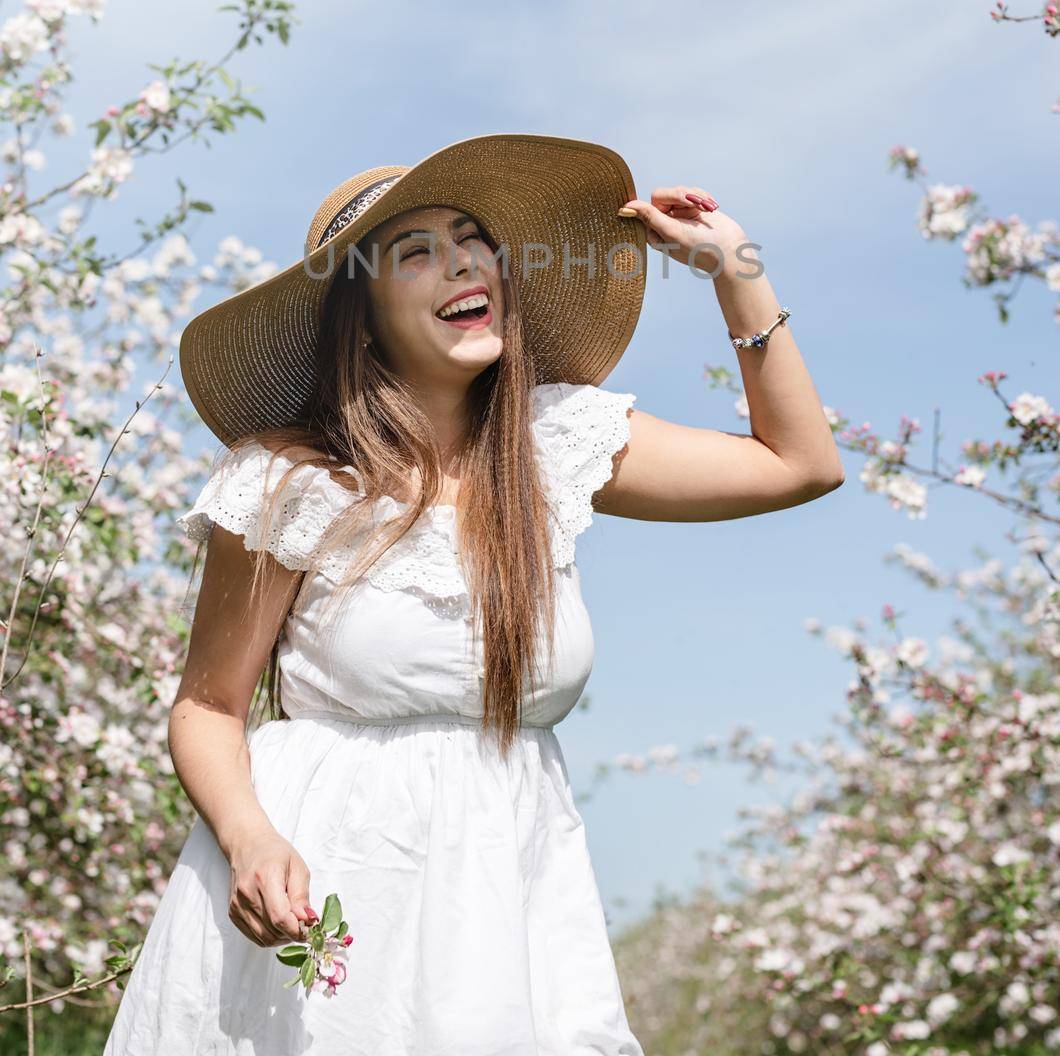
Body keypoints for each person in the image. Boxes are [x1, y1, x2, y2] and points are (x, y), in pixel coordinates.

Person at [102, 132, 845, 1056]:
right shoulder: (290, 483)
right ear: (363, 317)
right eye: (414, 253)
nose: (461, 262)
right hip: (328, 875)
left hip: (510, 887)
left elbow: (800, 465)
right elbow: (208, 705)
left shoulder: (558, 441)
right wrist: (249, 839)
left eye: (470, 238)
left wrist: (735, 267)